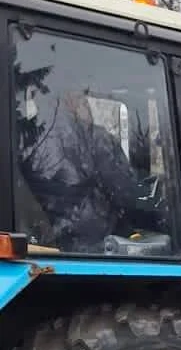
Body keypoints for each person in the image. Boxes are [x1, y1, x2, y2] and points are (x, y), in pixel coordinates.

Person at [16, 89, 139, 252]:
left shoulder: (23, 138)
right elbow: (125, 195)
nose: (86, 105)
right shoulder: (94, 138)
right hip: (91, 248)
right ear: (69, 101)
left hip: (36, 245)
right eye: (82, 99)